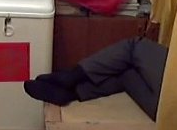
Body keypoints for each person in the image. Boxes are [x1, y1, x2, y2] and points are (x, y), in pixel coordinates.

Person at [23, 36, 168, 121]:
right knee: (127, 73)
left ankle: (72, 77)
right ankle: (72, 92)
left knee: (134, 46)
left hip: (174, 97)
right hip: (166, 113)